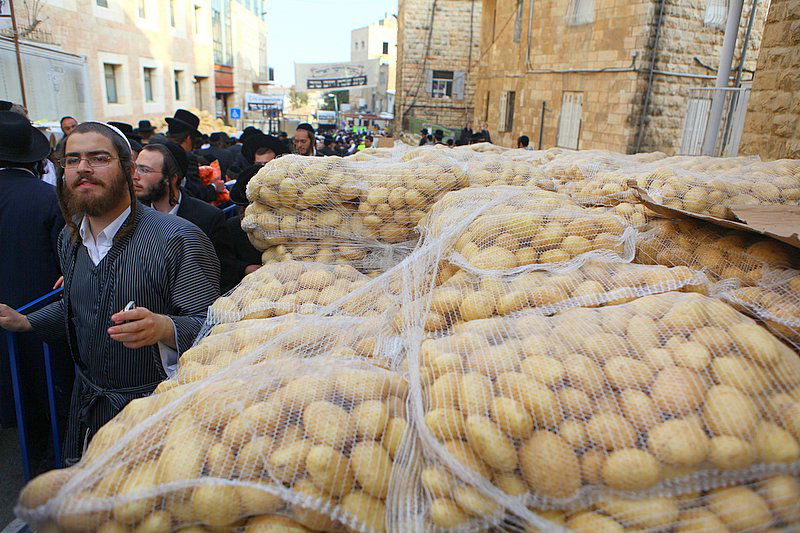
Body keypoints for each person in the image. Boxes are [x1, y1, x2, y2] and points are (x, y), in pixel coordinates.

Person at [0, 121, 220, 465]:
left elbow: (216, 328)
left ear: (128, 170)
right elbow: (79, 307)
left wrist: (164, 327)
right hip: (90, 413)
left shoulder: (178, 238)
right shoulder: (70, 239)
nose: (83, 168)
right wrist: (26, 321)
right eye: (72, 160)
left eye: (98, 158)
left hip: (160, 418)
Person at [0, 111, 72, 463]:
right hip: (37, 328)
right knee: (44, 412)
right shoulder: (47, 198)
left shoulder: (48, 197)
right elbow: (68, 264)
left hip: (27, 326)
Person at [134, 142, 230, 292]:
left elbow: (221, 277)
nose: (135, 176)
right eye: (135, 168)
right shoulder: (132, 216)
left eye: (144, 170)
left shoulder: (207, 218)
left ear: (171, 178)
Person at [221, 164, 266, 291]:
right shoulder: (233, 227)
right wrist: (245, 268)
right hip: (245, 290)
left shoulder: (286, 227)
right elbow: (224, 262)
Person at [165, 109, 222, 203]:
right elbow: (196, 194)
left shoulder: (158, 150)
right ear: (188, 138)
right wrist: (214, 187)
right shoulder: (186, 158)